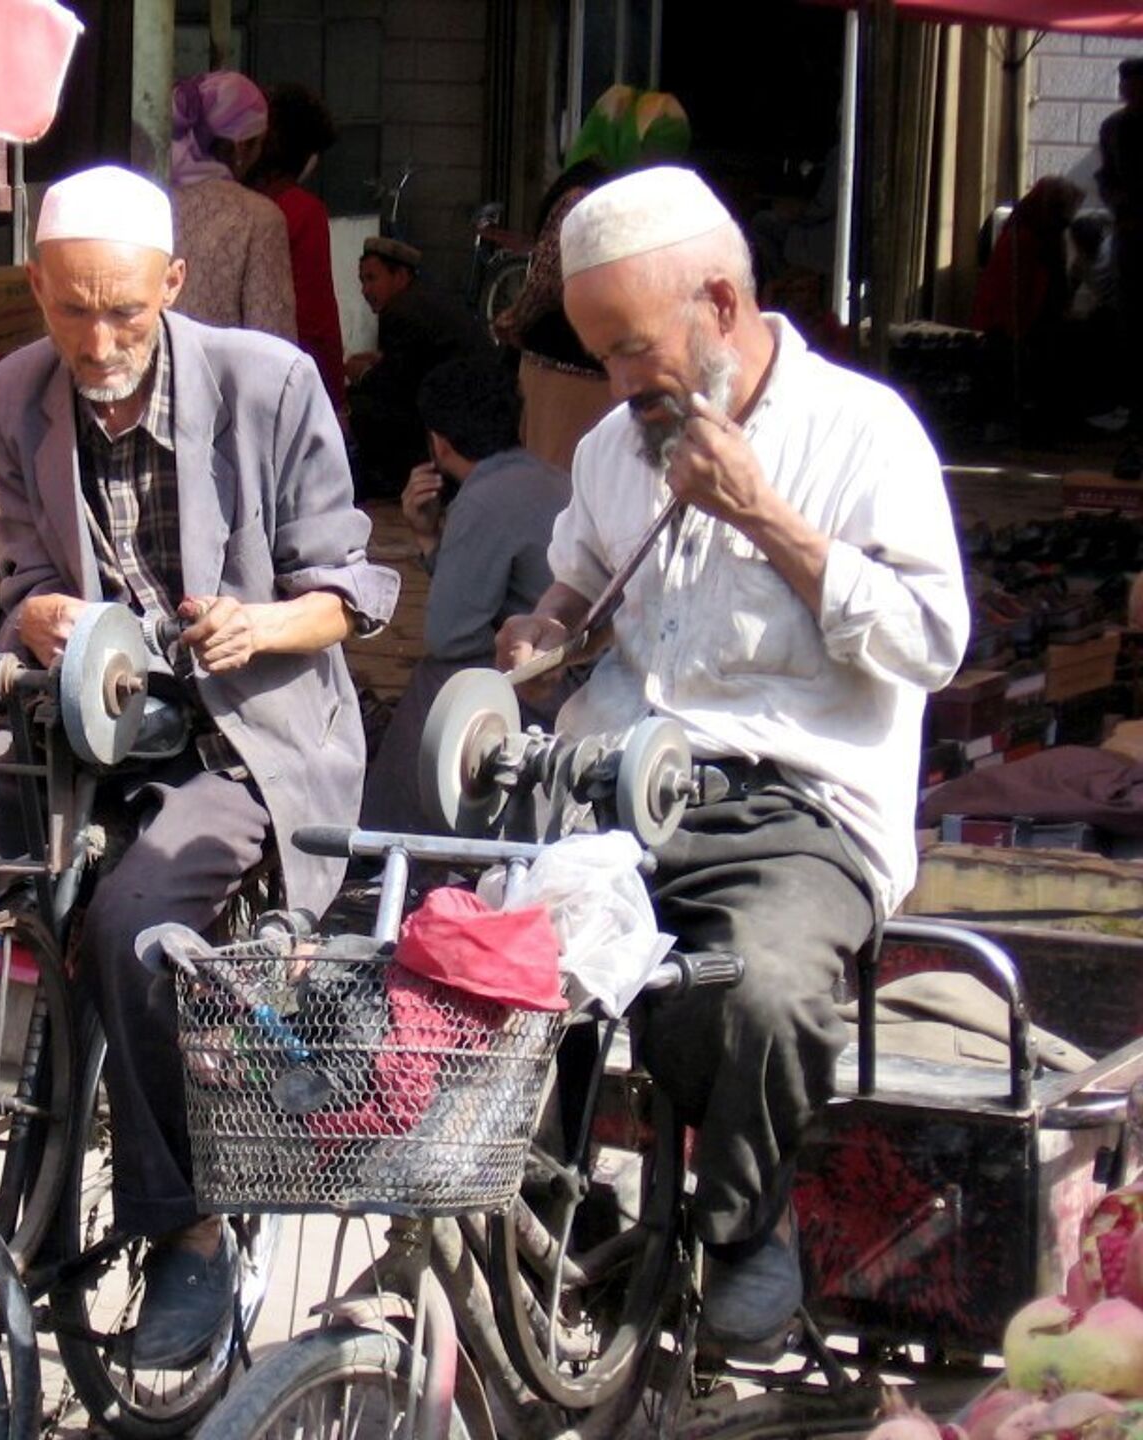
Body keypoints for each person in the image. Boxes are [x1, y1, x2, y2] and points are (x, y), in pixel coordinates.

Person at [0, 164, 396, 1370]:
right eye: (71, 309)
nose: (96, 341)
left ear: (174, 287)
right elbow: (22, 576)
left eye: (125, 313)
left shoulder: (269, 385)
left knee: (135, 925)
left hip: (240, 739)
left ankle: (187, 1234)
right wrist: (35, 613)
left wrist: (263, 624)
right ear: (35, 287)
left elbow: (353, 591)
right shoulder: (10, 394)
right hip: (84, 725)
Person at [495, 166, 967, 1354]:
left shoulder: (865, 433)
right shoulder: (617, 446)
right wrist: (550, 624)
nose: (617, 382)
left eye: (632, 349)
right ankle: (551, 1213)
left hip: (797, 809)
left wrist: (768, 516)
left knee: (751, 984)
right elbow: (582, 567)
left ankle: (747, 1222)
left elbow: (933, 642)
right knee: (489, 965)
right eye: (600, 354)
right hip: (622, 784)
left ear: (718, 300)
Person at [361, 352, 568, 833]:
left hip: (555, 686)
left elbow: (449, 637)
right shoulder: (545, 476)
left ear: (438, 442)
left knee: (436, 681)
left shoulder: (484, 498)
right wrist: (430, 539)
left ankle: (386, 843)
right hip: (576, 669)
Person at [498, 86, 692, 476]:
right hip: (583, 371)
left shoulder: (604, 193)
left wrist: (514, 321)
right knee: (575, 480)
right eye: (651, 151)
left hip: (586, 371)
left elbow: (546, 279)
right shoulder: (597, 197)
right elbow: (552, 276)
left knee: (577, 478)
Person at [347, 237, 492, 498]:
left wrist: (362, 375)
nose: (365, 290)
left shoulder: (402, 311)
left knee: (359, 410)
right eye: (362, 281)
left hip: (454, 418)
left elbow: (396, 388)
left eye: (372, 279)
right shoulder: (425, 298)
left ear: (400, 276)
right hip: (474, 411)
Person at [168, 71, 298, 342]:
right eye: (258, 144)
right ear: (240, 148)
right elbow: (272, 338)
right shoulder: (259, 218)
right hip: (218, 383)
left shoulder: (149, 196)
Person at [248, 82, 347, 412]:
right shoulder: (303, 210)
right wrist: (336, 400)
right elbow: (317, 320)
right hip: (289, 381)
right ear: (307, 155)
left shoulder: (231, 200)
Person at [972, 176, 1084, 442]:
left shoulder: (1039, 229)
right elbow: (1021, 285)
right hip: (1013, 320)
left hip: (1027, 317)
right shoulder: (1027, 234)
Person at [1097, 57, 1143, 477]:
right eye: (1125, 84)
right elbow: (1106, 177)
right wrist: (1120, 206)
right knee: (1130, 329)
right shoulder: (1113, 128)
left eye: (1134, 84)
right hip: (1131, 238)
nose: (1127, 91)